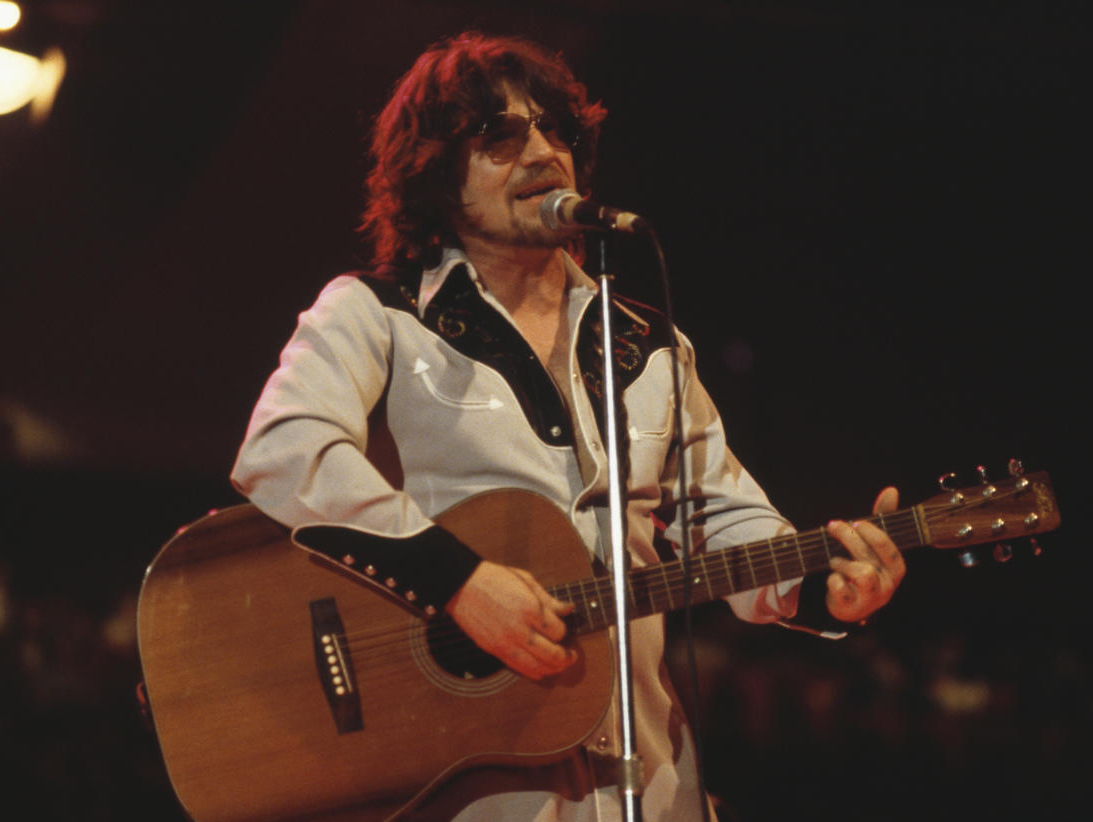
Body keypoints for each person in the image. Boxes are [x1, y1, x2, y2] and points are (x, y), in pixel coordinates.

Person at [231, 31, 905, 822]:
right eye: (500, 136)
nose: (543, 152)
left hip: (650, 780)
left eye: (557, 131)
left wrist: (825, 584)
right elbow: (283, 451)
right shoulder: (380, 313)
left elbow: (722, 517)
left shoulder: (650, 345)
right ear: (436, 174)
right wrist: (457, 581)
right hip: (464, 784)